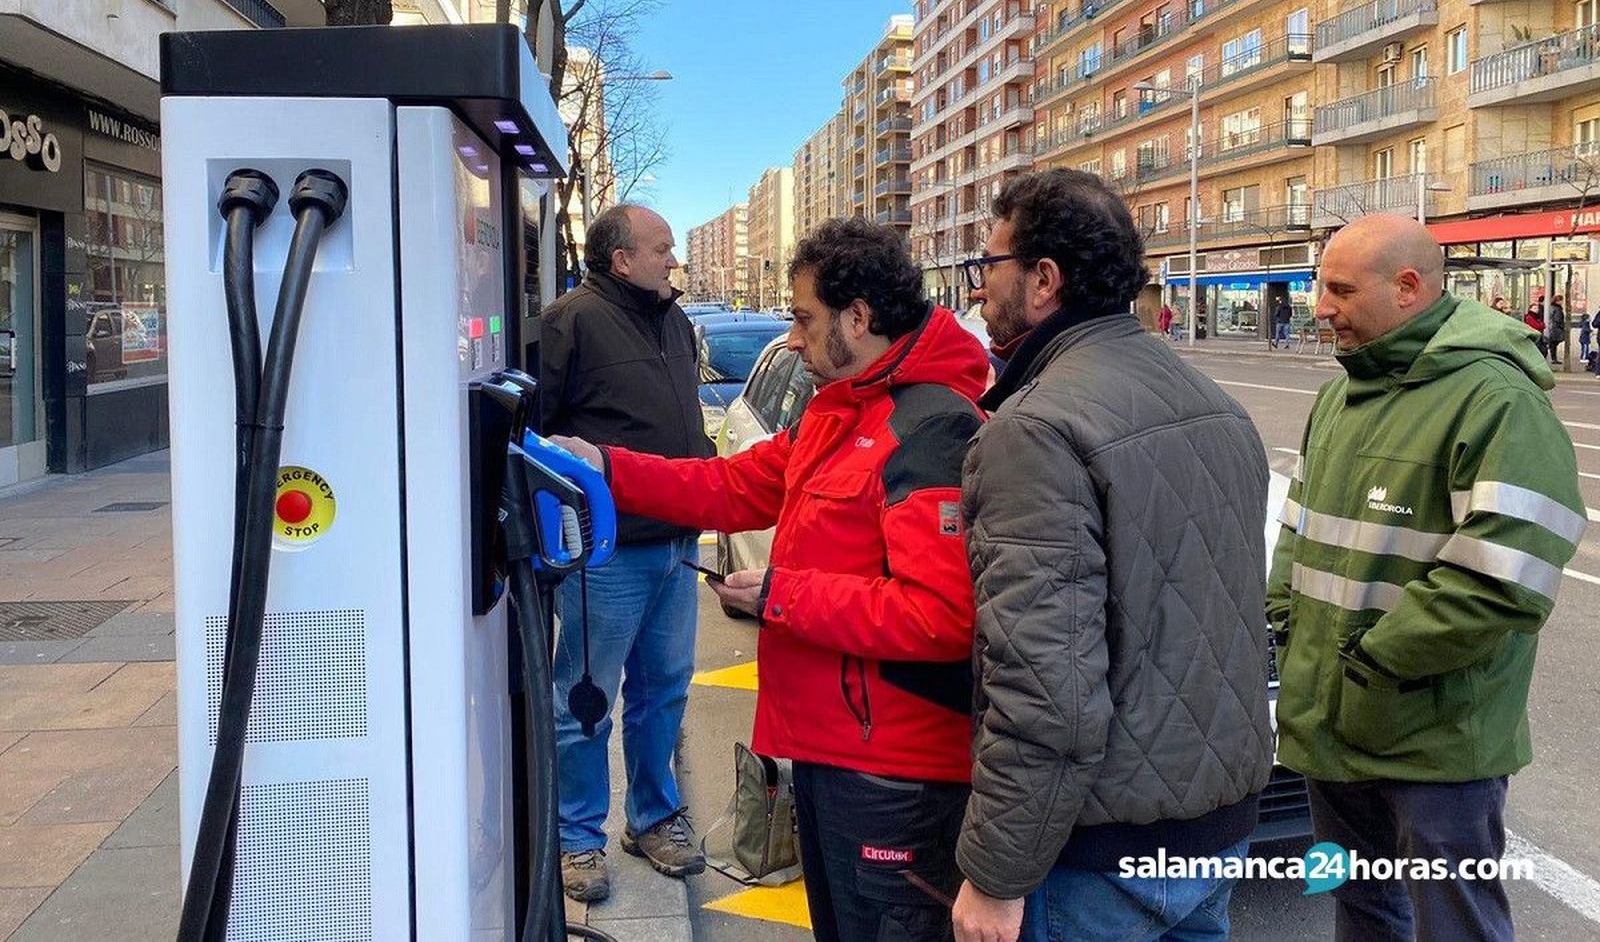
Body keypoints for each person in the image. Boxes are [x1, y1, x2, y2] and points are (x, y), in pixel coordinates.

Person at [555, 217, 990, 942]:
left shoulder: (932, 428)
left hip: (894, 776)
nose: (791, 338)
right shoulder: (837, 411)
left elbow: (940, 617)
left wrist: (784, 594)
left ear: (858, 318)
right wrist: (605, 467)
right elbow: (730, 487)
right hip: (832, 752)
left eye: (802, 318)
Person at [950, 170, 1274, 942]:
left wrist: (996, 876)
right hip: (1217, 828)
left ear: (1044, 280)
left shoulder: (1033, 430)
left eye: (988, 266)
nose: (978, 290)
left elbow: (1042, 686)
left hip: (1101, 855)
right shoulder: (1216, 404)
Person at [1267, 215, 1583, 942]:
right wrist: (1286, 621)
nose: (1321, 307)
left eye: (1341, 290)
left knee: (1455, 924)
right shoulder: (1340, 397)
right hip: (1333, 717)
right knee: (1362, 905)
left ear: (1408, 287)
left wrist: (1375, 662)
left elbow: (1508, 574)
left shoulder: (1495, 398)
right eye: (1321, 286)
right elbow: (1300, 530)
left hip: (1433, 739)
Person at [538, 204, 714, 902]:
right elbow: (540, 436)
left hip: (675, 543)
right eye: (662, 248)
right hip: (606, 555)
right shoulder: (571, 321)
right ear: (622, 259)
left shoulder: (671, 317)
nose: (673, 259)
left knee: (664, 692)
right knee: (584, 701)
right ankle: (576, 839)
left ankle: (653, 818)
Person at [1547, 294, 1567, 364]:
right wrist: (1562, 326)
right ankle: (1554, 359)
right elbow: (1558, 319)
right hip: (1556, 328)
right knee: (1554, 344)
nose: (1562, 302)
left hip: (1553, 328)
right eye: (1561, 300)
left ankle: (1553, 358)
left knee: (1553, 344)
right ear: (1557, 301)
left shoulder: (1552, 307)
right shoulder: (1557, 309)